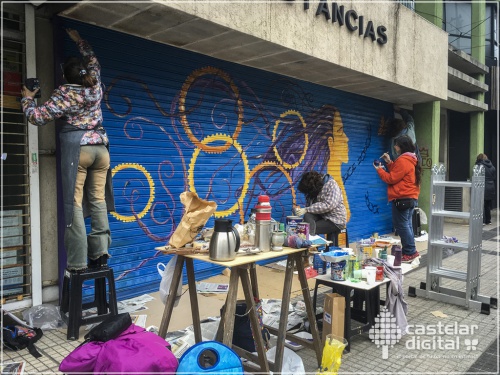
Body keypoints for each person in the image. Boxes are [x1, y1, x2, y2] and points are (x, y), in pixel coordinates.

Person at [21, 28, 114, 271]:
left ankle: (77, 261)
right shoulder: (95, 85)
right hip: (101, 148)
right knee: (97, 199)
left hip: (79, 149)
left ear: (64, 75)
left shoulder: (65, 93)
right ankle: (101, 252)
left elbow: (38, 118)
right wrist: (79, 40)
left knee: (74, 203)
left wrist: (28, 98)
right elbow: (93, 59)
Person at [374, 135, 421, 262]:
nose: (394, 147)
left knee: (402, 226)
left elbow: (391, 178)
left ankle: (410, 252)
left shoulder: (404, 160)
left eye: (396, 145)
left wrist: (379, 170)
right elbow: (399, 172)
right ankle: (411, 251)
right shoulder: (410, 159)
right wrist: (389, 162)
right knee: (406, 225)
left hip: (402, 198)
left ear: (401, 146)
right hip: (409, 197)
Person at [295, 171, 347, 240]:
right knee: (307, 216)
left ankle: (311, 244)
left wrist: (306, 209)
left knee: (308, 228)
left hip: (335, 220)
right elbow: (311, 207)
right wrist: (300, 212)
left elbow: (329, 205)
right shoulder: (314, 190)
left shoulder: (331, 184)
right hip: (323, 216)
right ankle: (310, 240)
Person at [475, 154, 496, 225]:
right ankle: (488, 220)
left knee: (481, 204)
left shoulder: (479, 166)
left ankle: (482, 221)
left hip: (483, 186)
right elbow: (494, 178)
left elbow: (476, 176)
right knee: (487, 205)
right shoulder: (492, 167)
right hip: (491, 187)